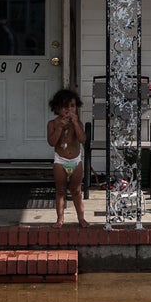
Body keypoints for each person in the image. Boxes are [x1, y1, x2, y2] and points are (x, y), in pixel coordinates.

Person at [47, 88, 89, 228]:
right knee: (60, 190)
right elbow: (52, 142)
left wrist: (76, 124)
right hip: (60, 161)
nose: (69, 110)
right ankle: (60, 219)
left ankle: (81, 218)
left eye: (72, 106)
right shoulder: (53, 124)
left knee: (76, 191)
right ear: (57, 108)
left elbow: (82, 139)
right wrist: (59, 128)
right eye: (65, 107)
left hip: (76, 161)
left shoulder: (78, 123)